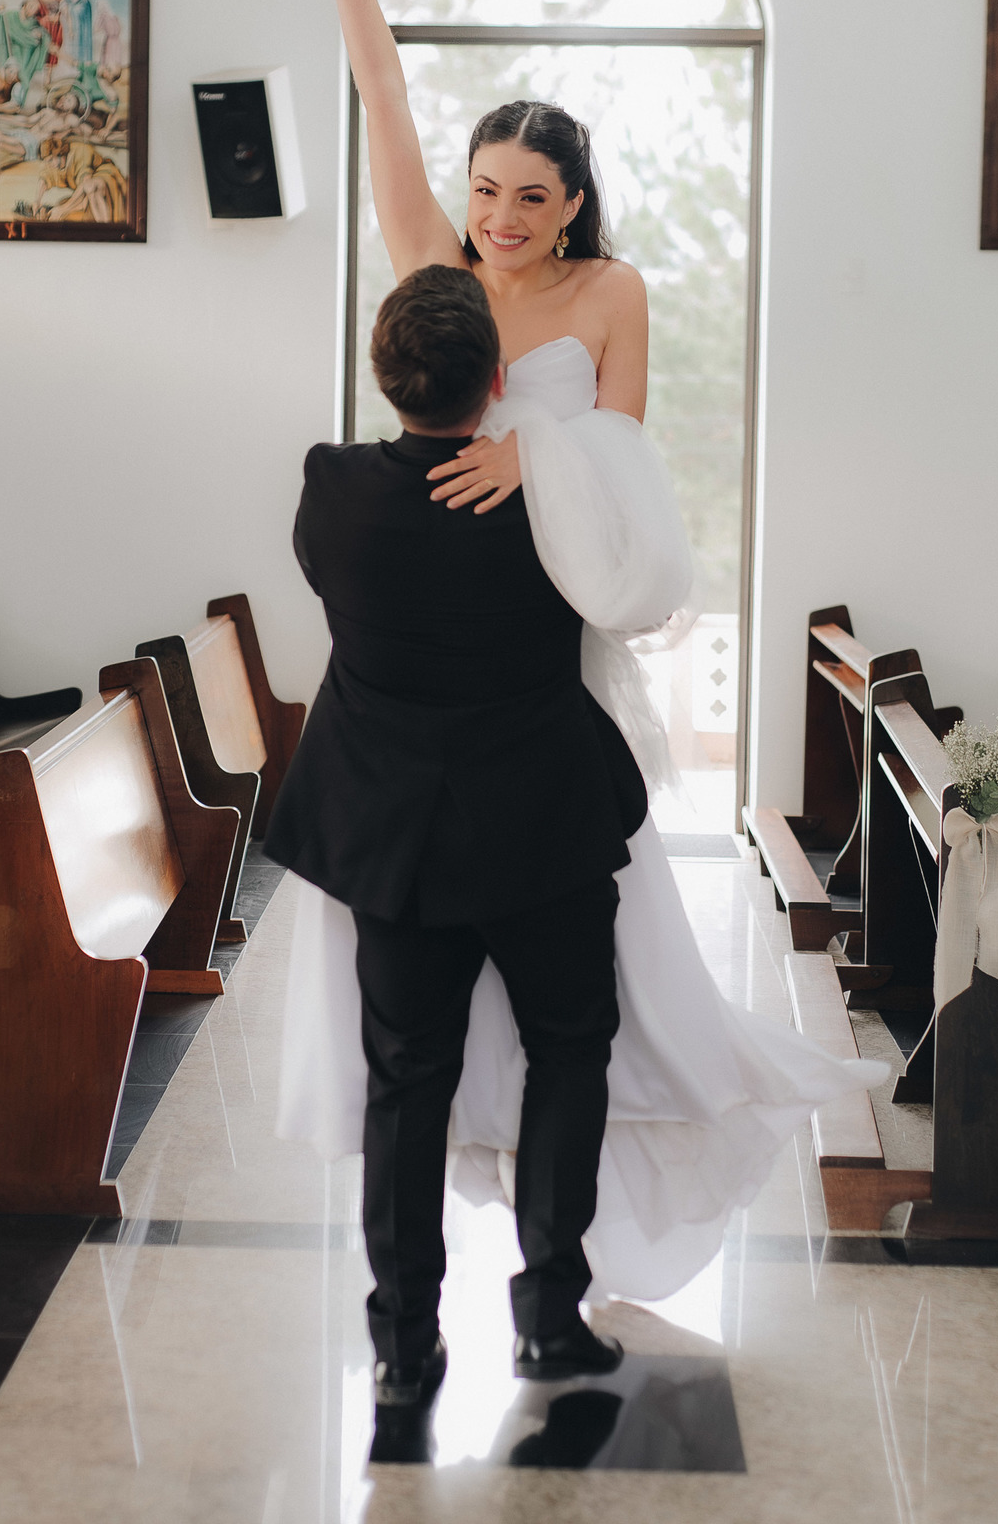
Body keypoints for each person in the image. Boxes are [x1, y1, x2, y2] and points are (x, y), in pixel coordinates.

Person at [275, 0, 886, 1359]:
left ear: (571, 204)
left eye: (528, 197)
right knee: (471, 1026)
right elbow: (383, 96)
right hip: (441, 627)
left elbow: (625, 467)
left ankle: (541, 1289)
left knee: (578, 1007)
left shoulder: (612, 294)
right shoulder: (435, 264)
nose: (498, 215)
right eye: (486, 189)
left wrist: (532, 462)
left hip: (549, 635)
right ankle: (444, 1315)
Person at [267, 267, 643, 1459]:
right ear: (498, 381)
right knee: (569, 1052)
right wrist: (549, 459)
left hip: (397, 838)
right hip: (544, 824)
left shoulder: (333, 490)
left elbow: (334, 584)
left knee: (406, 1080)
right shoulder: (549, 497)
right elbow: (621, 588)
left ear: (386, 377)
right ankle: (547, 1319)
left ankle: (401, 1343)